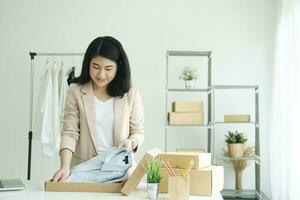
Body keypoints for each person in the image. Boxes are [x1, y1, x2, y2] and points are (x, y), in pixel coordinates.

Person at [53, 36, 144, 182]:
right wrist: (65, 166)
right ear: (88, 63)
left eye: (108, 68)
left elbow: (138, 132)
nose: (101, 75)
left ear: (118, 66)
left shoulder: (131, 93)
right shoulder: (75, 91)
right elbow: (69, 132)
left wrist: (131, 142)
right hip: (84, 171)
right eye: (96, 67)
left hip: (120, 172)